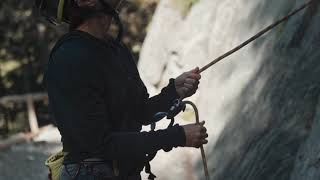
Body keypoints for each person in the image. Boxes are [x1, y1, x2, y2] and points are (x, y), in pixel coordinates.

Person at [36, 0, 208, 179]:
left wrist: (173, 92)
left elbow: (139, 112)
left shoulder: (116, 49)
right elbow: (100, 145)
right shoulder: (69, 59)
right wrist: (176, 136)